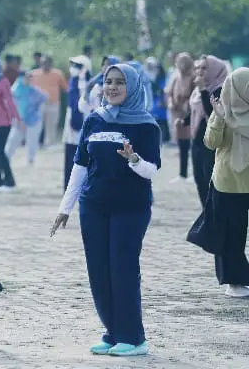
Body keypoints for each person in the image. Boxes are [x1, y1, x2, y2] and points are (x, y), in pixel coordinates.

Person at [51, 63, 161, 357]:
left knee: (123, 269)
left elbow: (152, 170)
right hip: (93, 206)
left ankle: (134, 338)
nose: (112, 87)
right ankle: (112, 333)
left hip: (130, 207)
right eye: (108, 81)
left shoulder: (146, 125)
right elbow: (80, 165)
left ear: (132, 87)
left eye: (119, 82)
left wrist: (134, 159)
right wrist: (65, 207)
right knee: (99, 271)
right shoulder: (94, 120)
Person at [196, 67, 249, 297]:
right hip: (229, 182)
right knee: (232, 234)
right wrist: (218, 117)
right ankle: (234, 282)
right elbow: (211, 142)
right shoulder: (222, 111)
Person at [185, 56, 228, 207]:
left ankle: (213, 212)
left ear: (215, 70)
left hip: (212, 141)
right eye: (198, 68)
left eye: (204, 68)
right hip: (197, 140)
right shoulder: (198, 90)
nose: (200, 71)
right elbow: (194, 111)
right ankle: (206, 212)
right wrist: (184, 121)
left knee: (210, 178)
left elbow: (211, 112)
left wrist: (203, 89)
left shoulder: (221, 89)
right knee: (199, 178)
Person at [0, 56, 18, 191]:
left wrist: (17, 118)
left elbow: (9, 101)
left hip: (3, 121)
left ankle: (10, 181)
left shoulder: (3, 81)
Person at [5, 72, 47, 165]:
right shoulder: (13, 91)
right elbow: (12, 107)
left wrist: (36, 110)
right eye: (26, 77)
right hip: (18, 121)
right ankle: (6, 159)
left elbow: (44, 97)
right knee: (12, 140)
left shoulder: (34, 90)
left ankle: (30, 160)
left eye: (30, 78)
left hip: (33, 120)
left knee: (32, 141)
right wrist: (20, 119)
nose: (28, 79)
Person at [63, 55, 92, 190]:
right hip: (70, 123)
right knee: (70, 156)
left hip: (83, 123)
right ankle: (68, 187)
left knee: (82, 158)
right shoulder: (73, 81)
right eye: (73, 65)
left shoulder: (88, 83)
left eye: (77, 66)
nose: (73, 68)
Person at [166, 53, 195, 183]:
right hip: (178, 114)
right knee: (182, 143)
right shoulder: (175, 76)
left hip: (192, 114)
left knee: (193, 144)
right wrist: (171, 103)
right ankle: (182, 174)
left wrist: (186, 103)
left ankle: (195, 172)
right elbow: (169, 93)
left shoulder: (194, 77)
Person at [31, 55, 68, 147]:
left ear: (51, 63)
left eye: (47, 62)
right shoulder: (34, 74)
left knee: (51, 125)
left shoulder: (58, 74)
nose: (45, 64)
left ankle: (49, 145)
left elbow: (65, 88)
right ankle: (35, 143)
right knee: (36, 125)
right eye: (43, 62)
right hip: (39, 104)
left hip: (53, 104)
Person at [146, 58, 169, 144]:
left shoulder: (163, 79)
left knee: (161, 121)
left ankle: (162, 139)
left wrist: (162, 101)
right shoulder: (149, 77)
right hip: (151, 103)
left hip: (160, 103)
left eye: (156, 67)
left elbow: (164, 91)